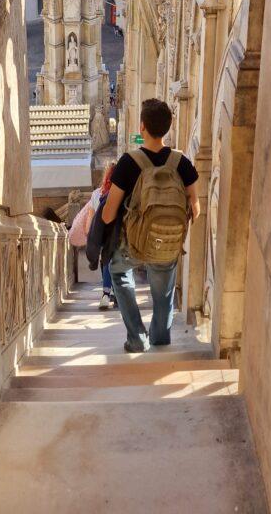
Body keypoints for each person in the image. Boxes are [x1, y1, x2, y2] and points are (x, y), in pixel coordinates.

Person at [102, 98, 200, 352]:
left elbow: (108, 214)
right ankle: (160, 337)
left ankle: (137, 337)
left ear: (142, 126)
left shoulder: (128, 162)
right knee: (163, 293)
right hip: (166, 242)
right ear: (168, 127)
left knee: (119, 273)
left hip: (131, 244)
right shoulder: (182, 163)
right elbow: (196, 210)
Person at [89, 162, 117, 309]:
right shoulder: (124, 191)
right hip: (119, 234)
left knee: (107, 262)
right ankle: (117, 295)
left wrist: (91, 239)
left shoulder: (96, 194)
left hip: (103, 235)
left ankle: (106, 293)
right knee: (120, 263)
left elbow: (91, 220)